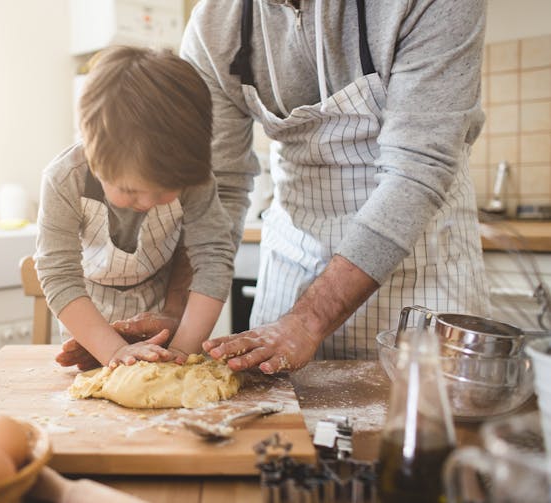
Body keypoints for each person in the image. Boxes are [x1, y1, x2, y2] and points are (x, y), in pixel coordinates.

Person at [59, 0, 490, 374]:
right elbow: (217, 190)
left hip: (420, 266)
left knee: (417, 444)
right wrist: (178, 311)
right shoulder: (216, 23)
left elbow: (416, 171)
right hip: (293, 262)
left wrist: (308, 321)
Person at [35, 45, 236, 369]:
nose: (145, 203)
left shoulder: (193, 176)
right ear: (94, 160)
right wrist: (111, 351)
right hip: (89, 312)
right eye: (129, 190)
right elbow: (59, 276)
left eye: (163, 191)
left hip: (165, 312)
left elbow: (213, 258)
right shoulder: (64, 180)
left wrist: (182, 350)